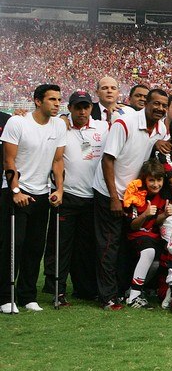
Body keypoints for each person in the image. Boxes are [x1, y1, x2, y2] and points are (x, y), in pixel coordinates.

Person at [93, 88, 168, 310]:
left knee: (126, 246)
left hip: (132, 196)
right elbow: (107, 160)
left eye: (164, 105)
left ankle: (123, 290)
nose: (160, 109)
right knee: (109, 245)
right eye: (156, 104)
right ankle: (107, 297)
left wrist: (157, 143)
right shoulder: (124, 124)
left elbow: (150, 144)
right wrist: (114, 198)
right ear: (145, 103)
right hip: (110, 193)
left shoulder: (160, 128)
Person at [0, 84, 66, 314]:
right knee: (12, 246)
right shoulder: (18, 123)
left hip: (41, 193)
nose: (57, 103)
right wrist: (16, 191)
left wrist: (60, 189)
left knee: (34, 247)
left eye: (59, 100)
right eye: (52, 99)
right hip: (16, 193)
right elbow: (9, 160)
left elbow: (58, 161)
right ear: (38, 101)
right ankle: (5, 297)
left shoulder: (59, 125)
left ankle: (27, 295)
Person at [43, 90, 107, 305]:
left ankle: (84, 289)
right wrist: (61, 120)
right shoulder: (61, 126)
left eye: (85, 106)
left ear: (91, 108)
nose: (82, 111)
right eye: (77, 107)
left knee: (86, 247)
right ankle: (56, 290)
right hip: (68, 195)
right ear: (69, 108)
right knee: (61, 246)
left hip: (93, 197)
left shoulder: (102, 126)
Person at [123, 159, 169, 309]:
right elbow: (133, 225)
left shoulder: (163, 195)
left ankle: (138, 290)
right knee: (149, 251)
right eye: (151, 180)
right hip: (136, 236)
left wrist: (165, 215)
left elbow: (155, 222)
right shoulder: (135, 194)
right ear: (144, 179)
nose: (156, 184)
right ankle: (134, 297)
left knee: (161, 259)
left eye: (159, 179)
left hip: (153, 236)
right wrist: (146, 215)